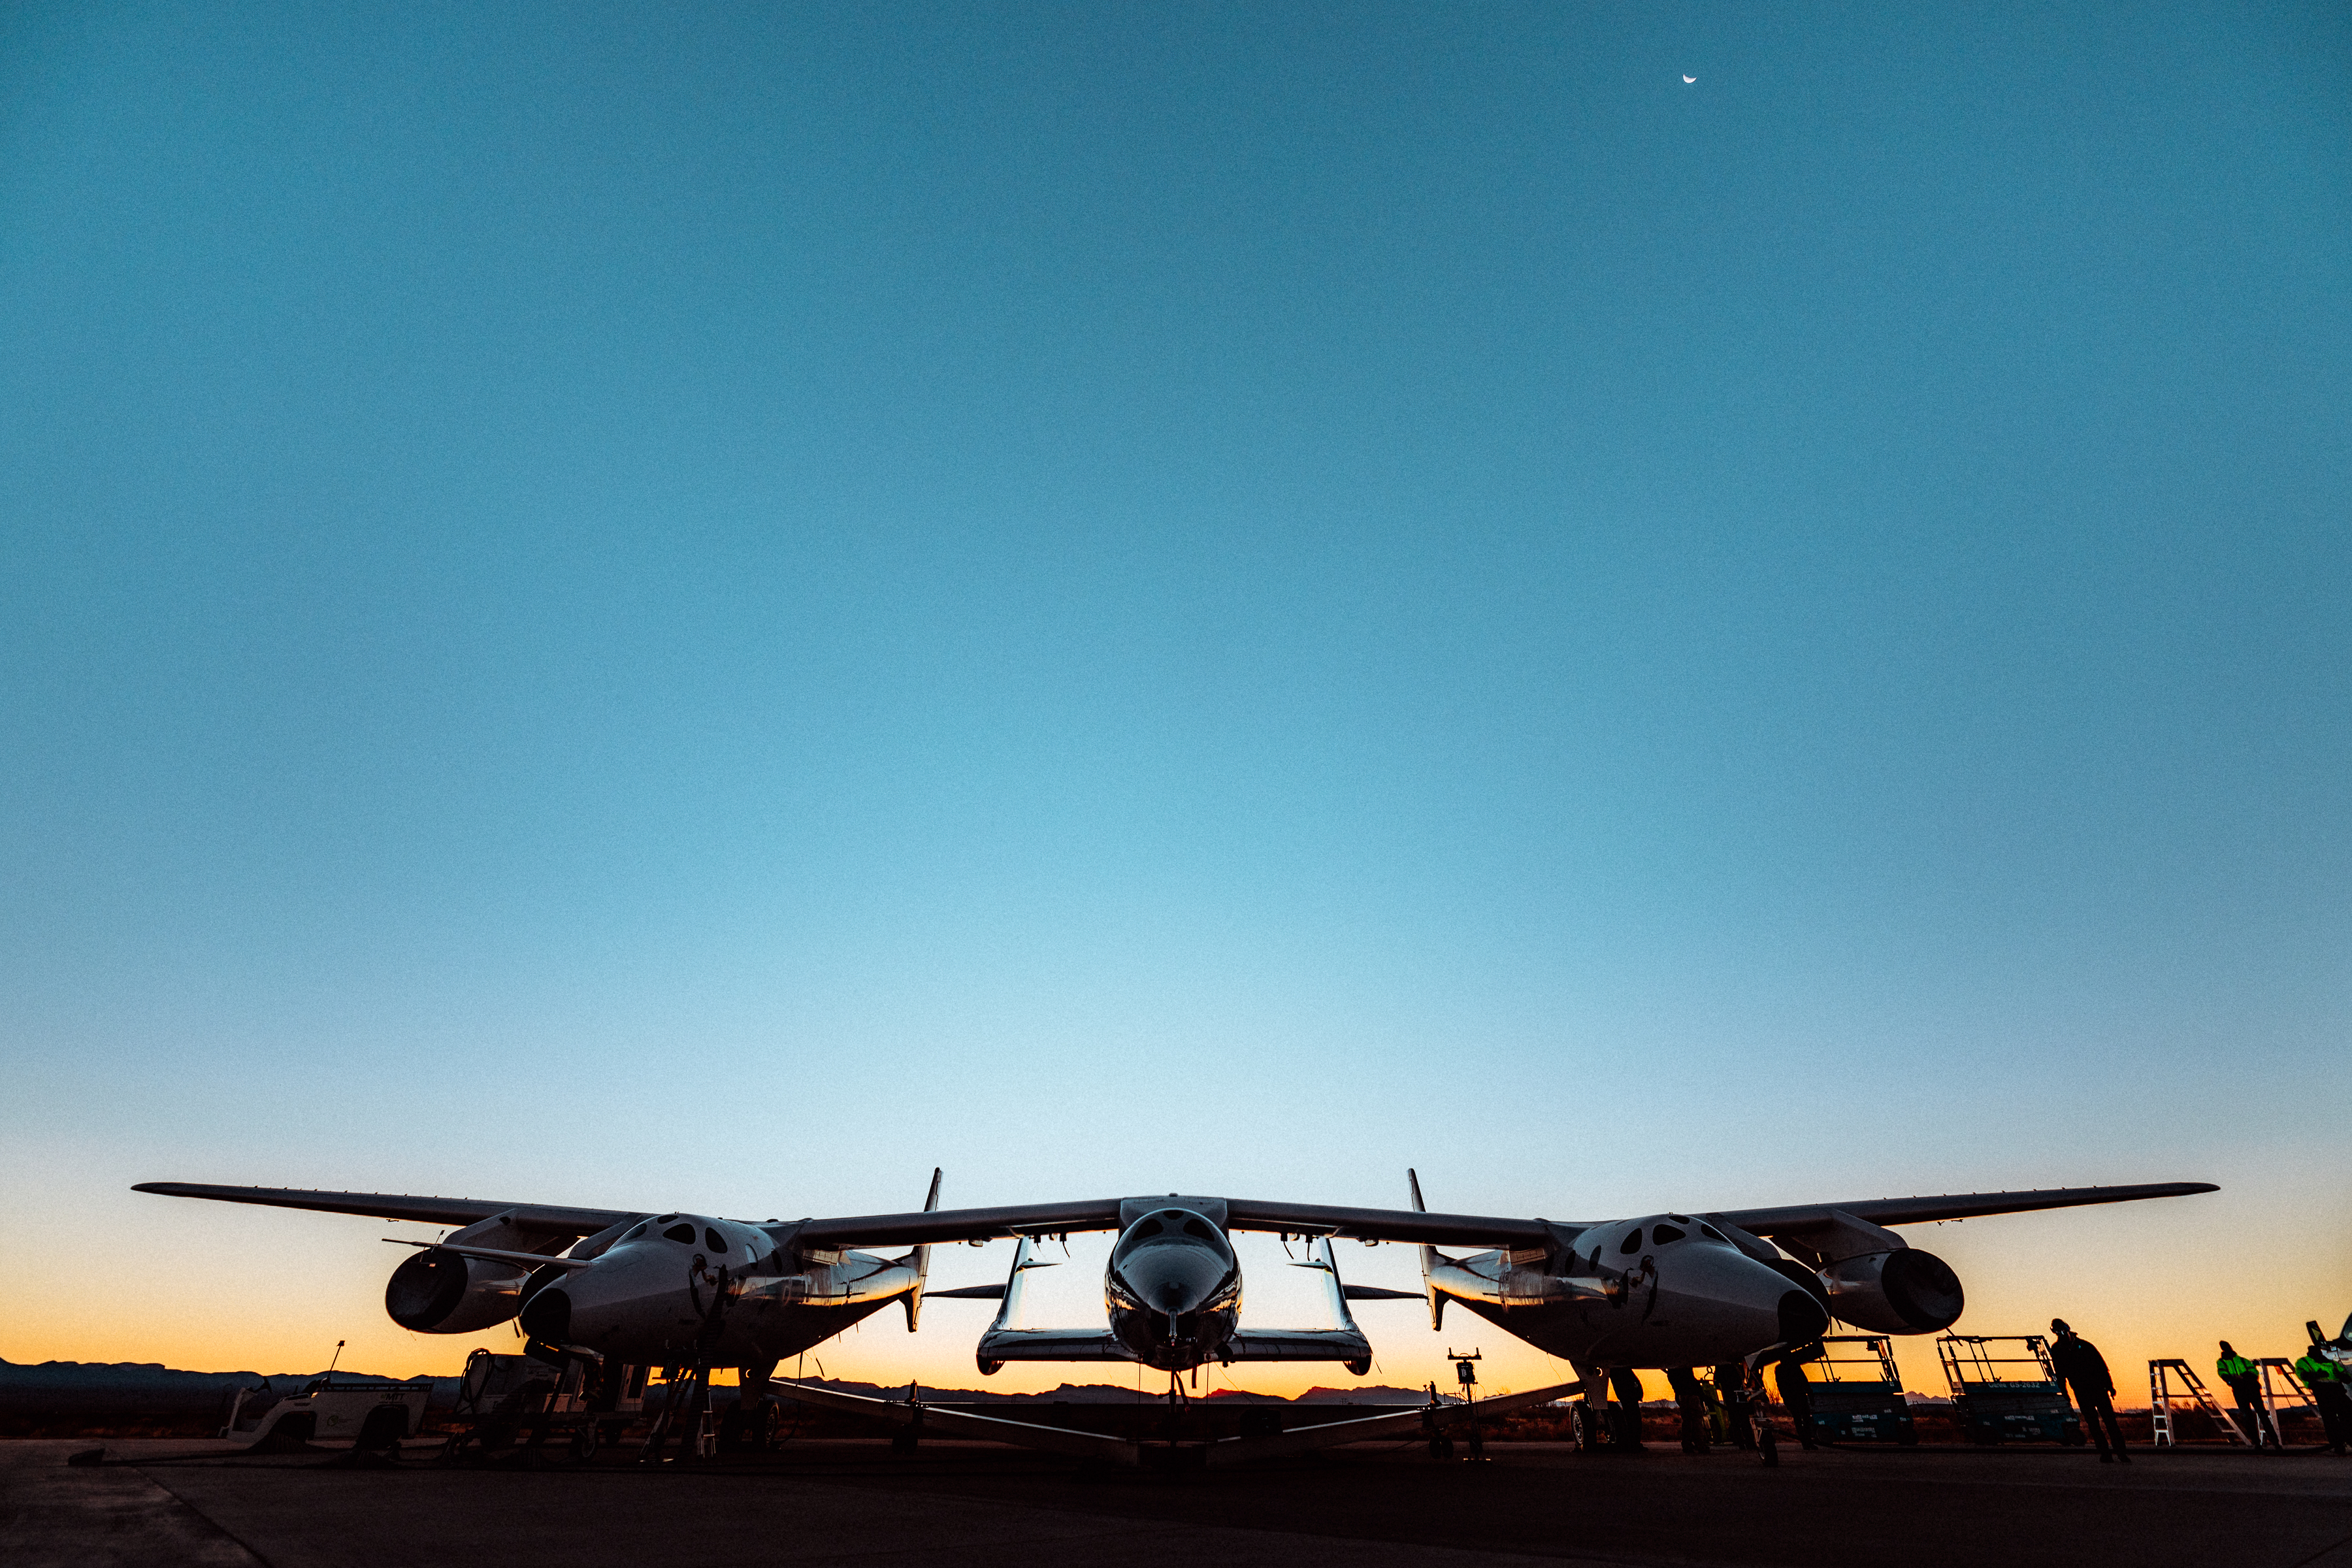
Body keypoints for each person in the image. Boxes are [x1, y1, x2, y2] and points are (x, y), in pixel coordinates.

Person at [2048, 1318, 2129, 1463]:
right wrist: (2064, 1392)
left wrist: (2109, 1386)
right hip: (2081, 1391)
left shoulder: (2085, 1346)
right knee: (2093, 1424)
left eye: (2062, 1330)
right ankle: (2105, 1454)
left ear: (2068, 1329)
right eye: (2057, 1331)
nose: (2060, 1334)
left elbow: (2102, 1366)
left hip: (2099, 1389)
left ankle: (2121, 1453)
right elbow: (2060, 1372)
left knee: (2110, 1422)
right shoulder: (2057, 1349)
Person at [2295, 1328, 2349, 1456]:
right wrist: (2315, 1375)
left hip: (2337, 1390)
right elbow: (2302, 1375)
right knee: (2330, 1419)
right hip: (2322, 1391)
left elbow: (2346, 1377)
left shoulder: (2331, 1363)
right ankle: (2338, 1444)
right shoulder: (2303, 1362)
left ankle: (2346, 1439)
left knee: (2347, 1415)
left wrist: (2342, 1377)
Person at [2217, 1341, 2279, 1448]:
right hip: (2243, 1390)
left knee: (2258, 1416)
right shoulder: (2233, 1361)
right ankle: (2261, 1443)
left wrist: (2237, 1379)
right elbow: (2224, 1374)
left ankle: (2273, 1442)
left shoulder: (2240, 1360)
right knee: (2251, 1416)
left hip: (2248, 1390)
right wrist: (2238, 1379)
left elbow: (2253, 1373)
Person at [1665, 1366, 1711, 1454]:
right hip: (1691, 1395)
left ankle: (1687, 1444)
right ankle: (1700, 1444)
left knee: (1687, 1422)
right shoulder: (1686, 1369)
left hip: (1683, 1395)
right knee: (1696, 1421)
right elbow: (1691, 1381)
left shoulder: (1673, 1371)